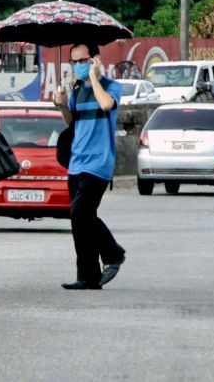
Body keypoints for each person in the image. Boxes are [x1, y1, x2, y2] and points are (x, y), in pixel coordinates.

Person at [53, 42, 126, 290]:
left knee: (80, 213)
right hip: (77, 161)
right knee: (80, 221)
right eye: (74, 62)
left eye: (83, 61)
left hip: (99, 162)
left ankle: (114, 253)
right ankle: (88, 276)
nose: (78, 67)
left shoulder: (111, 86)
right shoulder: (76, 90)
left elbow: (106, 104)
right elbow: (72, 121)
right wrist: (62, 104)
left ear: (95, 59)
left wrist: (94, 77)